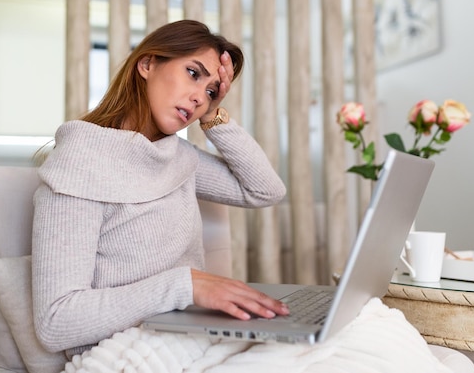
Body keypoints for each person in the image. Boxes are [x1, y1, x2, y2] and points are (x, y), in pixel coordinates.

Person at [32, 19, 288, 357]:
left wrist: (214, 117)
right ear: (147, 64)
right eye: (193, 74)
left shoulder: (177, 157)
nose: (199, 97)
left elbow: (265, 190)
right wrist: (184, 286)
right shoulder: (81, 162)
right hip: (123, 353)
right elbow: (56, 321)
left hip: (191, 337)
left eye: (211, 91)